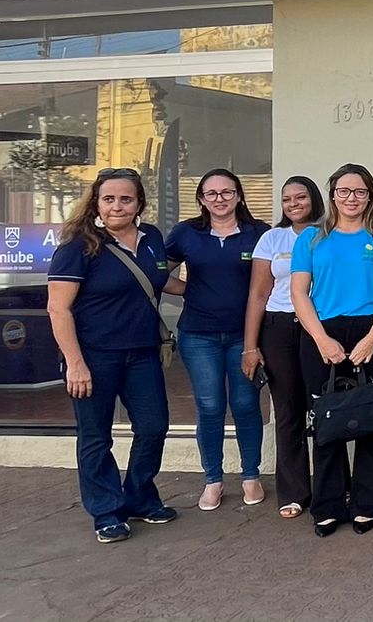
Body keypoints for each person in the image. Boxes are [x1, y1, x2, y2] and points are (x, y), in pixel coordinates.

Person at [46, 168, 179, 543]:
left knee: (154, 427)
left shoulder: (150, 237)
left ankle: (138, 498)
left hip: (142, 353)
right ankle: (105, 511)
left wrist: (211, 288)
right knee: (95, 437)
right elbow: (58, 309)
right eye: (109, 199)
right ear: (97, 202)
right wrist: (75, 363)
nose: (117, 206)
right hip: (93, 357)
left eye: (126, 199)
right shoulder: (78, 246)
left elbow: (158, 279)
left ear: (139, 203)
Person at [290, 163, 373, 537]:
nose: (351, 199)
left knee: (368, 417)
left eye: (359, 192)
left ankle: (367, 504)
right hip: (321, 331)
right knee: (326, 419)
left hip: (371, 330)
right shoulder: (310, 238)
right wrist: (321, 338)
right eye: (343, 191)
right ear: (333, 194)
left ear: (370, 196)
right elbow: (298, 293)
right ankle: (328, 504)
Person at [164, 169, 271, 512]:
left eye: (227, 192)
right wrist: (189, 291)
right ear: (200, 200)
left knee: (245, 404)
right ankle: (213, 479)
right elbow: (156, 274)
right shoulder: (186, 234)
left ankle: (250, 476)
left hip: (246, 334)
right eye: (211, 194)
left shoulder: (259, 234)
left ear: (239, 196)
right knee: (209, 407)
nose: (219, 199)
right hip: (198, 334)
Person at [242, 176, 324, 520]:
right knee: (288, 411)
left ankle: (329, 487)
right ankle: (293, 492)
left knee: (322, 409)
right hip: (278, 328)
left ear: (314, 199)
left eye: (300, 197)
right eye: (287, 199)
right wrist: (250, 346)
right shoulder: (271, 238)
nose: (293, 204)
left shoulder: (329, 234)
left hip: (318, 327)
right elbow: (258, 294)